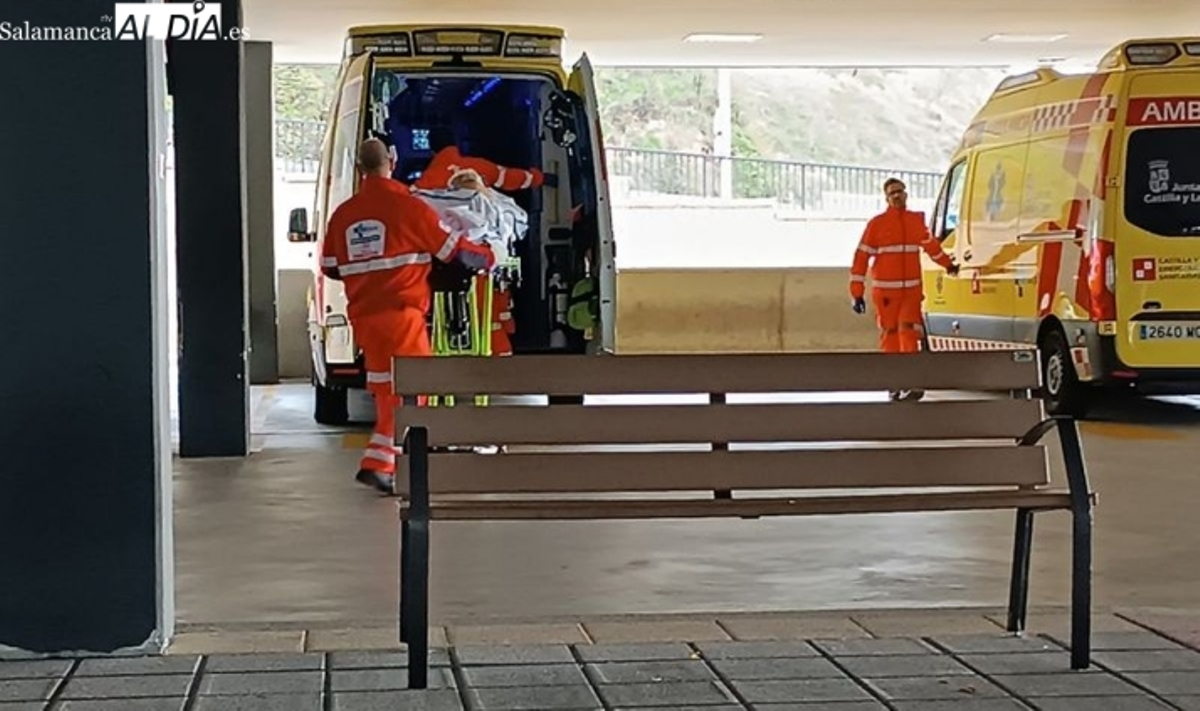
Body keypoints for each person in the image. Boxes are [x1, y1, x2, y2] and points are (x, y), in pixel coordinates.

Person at [322, 138, 495, 493]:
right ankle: (383, 462)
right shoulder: (408, 207)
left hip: (365, 318)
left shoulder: (343, 214)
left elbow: (331, 267)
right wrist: (488, 256)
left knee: (388, 390)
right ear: (394, 161)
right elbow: (455, 253)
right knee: (414, 390)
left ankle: (382, 461)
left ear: (359, 168)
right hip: (403, 315)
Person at [849, 177, 959, 402]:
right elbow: (861, 258)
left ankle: (911, 381)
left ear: (906, 194)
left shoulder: (915, 222)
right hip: (887, 295)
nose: (897, 196)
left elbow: (932, 247)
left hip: (910, 293)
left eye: (900, 191)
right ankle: (894, 383)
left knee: (909, 333)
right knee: (890, 336)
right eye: (892, 193)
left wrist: (948, 265)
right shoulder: (877, 225)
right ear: (886, 198)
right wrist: (856, 292)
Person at [413, 126, 556, 192]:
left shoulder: (425, 181)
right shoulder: (479, 166)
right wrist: (540, 178)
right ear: (455, 144)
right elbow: (510, 178)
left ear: (432, 151)